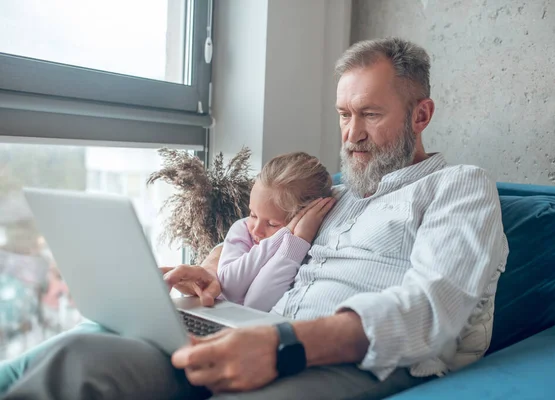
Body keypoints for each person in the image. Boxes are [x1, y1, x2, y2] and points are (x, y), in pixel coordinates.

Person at [2, 37, 508, 400]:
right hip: (259, 333)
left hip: (361, 362)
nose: (350, 134)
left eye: (370, 114)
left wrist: (282, 344)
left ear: (421, 116)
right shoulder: (331, 197)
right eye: (342, 113)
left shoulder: (459, 187)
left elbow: (431, 310)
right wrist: (215, 274)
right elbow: (264, 252)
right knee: (82, 360)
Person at [217, 152, 335, 311]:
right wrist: (282, 234)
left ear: (305, 218)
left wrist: (297, 242)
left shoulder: (303, 246)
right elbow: (229, 287)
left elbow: (255, 304)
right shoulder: (243, 229)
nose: (257, 230)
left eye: (272, 224)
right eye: (252, 214)